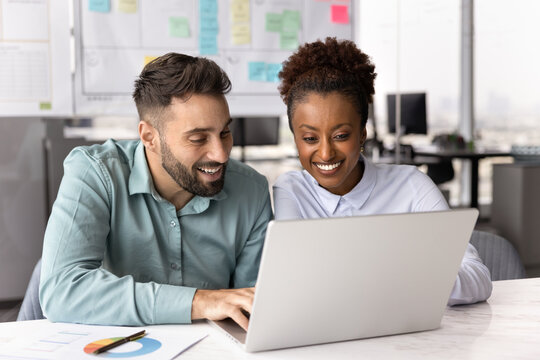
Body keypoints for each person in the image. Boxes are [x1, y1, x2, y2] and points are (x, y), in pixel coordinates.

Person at [39, 53, 272, 330]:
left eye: (224, 133)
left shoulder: (252, 191)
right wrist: (199, 301)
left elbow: (253, 305)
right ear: (150, 137)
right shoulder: (95, 173)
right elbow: (62, 291)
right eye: (198, 138)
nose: (221, 155)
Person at [273, 37, 492, 306]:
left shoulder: (412, 186)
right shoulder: (292, 191)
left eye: (341, 135)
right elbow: (292, 282)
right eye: (309, 139)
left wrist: (407, 276)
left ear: (362, 133)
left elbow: (478, 278)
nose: (326, 153)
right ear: (295, 138)